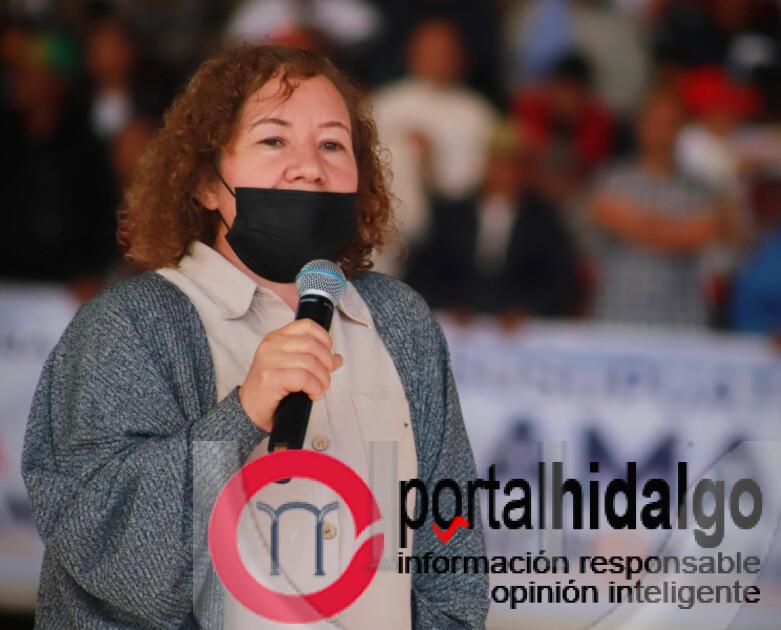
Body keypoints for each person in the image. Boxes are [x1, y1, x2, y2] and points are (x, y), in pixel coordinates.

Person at [22, 45, 488, 629]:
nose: (309, 167)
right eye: (274, 140)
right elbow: (110, 555)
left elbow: (452, 558)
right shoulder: (129, 326)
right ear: (204, 183)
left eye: (332, 145)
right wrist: (242, 415)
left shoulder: (402, 324)